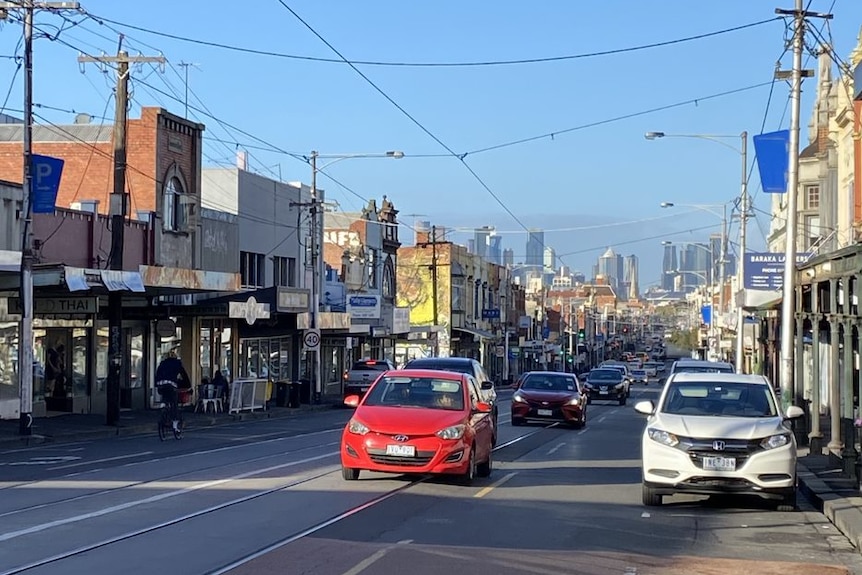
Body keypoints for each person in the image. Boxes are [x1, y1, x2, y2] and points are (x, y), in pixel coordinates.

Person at [156, 351, 191, 430]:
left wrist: (157, 384)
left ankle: (163, 404)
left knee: (165, 395)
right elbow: (184, 375)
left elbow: (157, 374)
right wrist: (188, 385)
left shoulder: (162, 363)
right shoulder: (177, 363)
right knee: (174, 403)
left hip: (160, 384)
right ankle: (175, 425)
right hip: (171, 385)